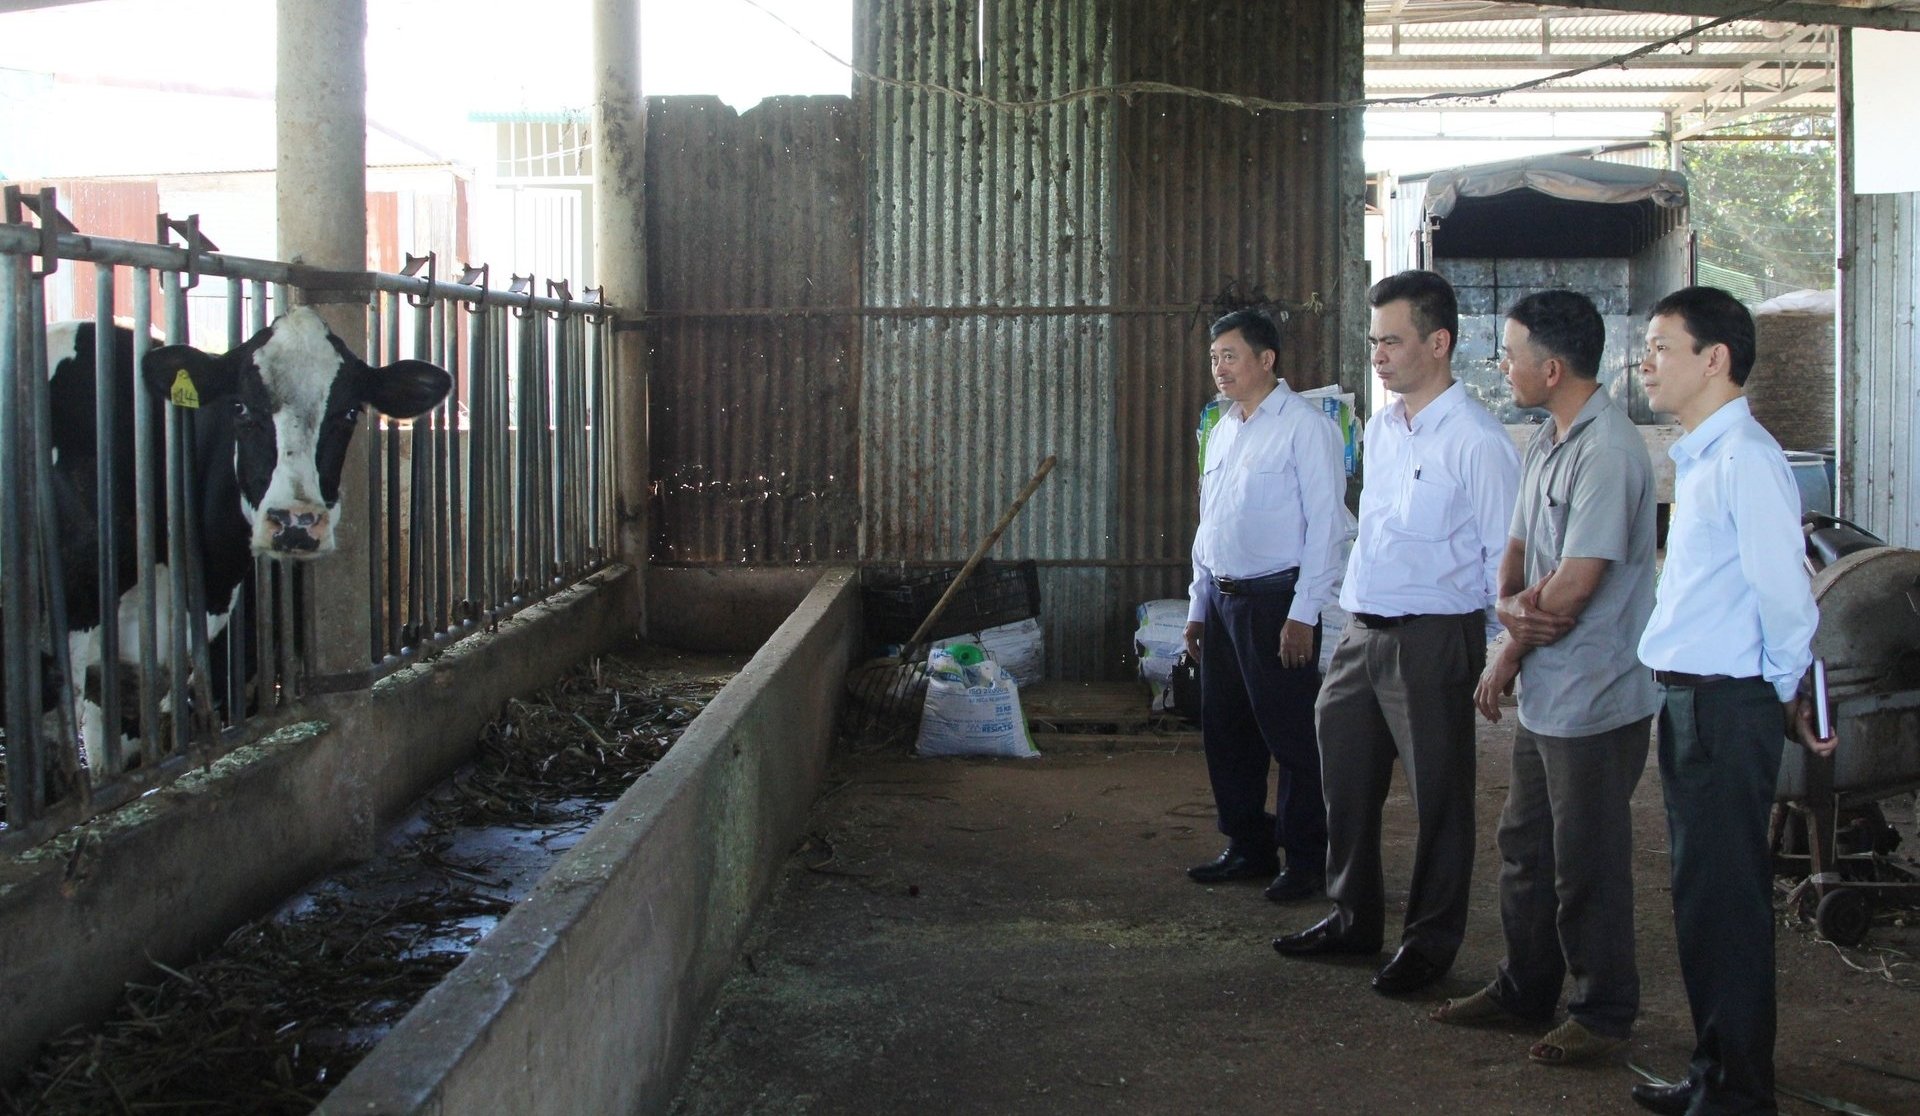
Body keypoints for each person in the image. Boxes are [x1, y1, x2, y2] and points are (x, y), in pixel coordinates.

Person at [1428, 289, 1658, 1067]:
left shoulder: (1611, 449)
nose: (1503, 367)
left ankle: (1602, 1011)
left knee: (1586, 857)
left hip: (1596, 694)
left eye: (1512, 355)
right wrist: (1510, 620)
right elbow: (1519, 557)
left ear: (1551, 367)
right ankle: (1525, 989)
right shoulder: (1546, 439)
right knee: (1526, 842)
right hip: (1549, 690)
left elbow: (1578, 583)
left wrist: (1511, 638)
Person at [1273, 270, 1519, 995]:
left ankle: (1429, 943)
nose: (1377, 356)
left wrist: (1505, 651)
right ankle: (1353, 919)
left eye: (1391, 341)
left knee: (1440, 797)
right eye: (1372, 340)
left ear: (1438, 343)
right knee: (1343, 784)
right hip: (1361, 632)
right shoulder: (1380, 430)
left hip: (1434, 640)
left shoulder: (1477, 441)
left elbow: (1506, 553)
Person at [1628, 286, 1834, 1116]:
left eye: (1662, 347)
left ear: (1715, 359)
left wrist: (1780, 691)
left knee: (1727, 902)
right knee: (1701, 898)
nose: (1647, 363)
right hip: (1695, 701)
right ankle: (1715, 1071)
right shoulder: (1705, 454)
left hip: (1729, 704)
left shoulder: (1747, 459)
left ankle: (1739, 1091)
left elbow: (1787, 594)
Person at [1181, 308, 1347, 902]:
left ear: (1266, 359)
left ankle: (1306, 858)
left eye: (1230, 355)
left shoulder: (1306, 428)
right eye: (1215, 358)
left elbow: (1328, 525)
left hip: (1278, 601)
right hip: (1225, 602)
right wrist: (1198, 605)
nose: (1219, 368)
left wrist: (1305, 612)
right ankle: (1248, 845)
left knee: (1293, 737)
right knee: (1227, 731)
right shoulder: (1223, 428)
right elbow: (1210, 525)